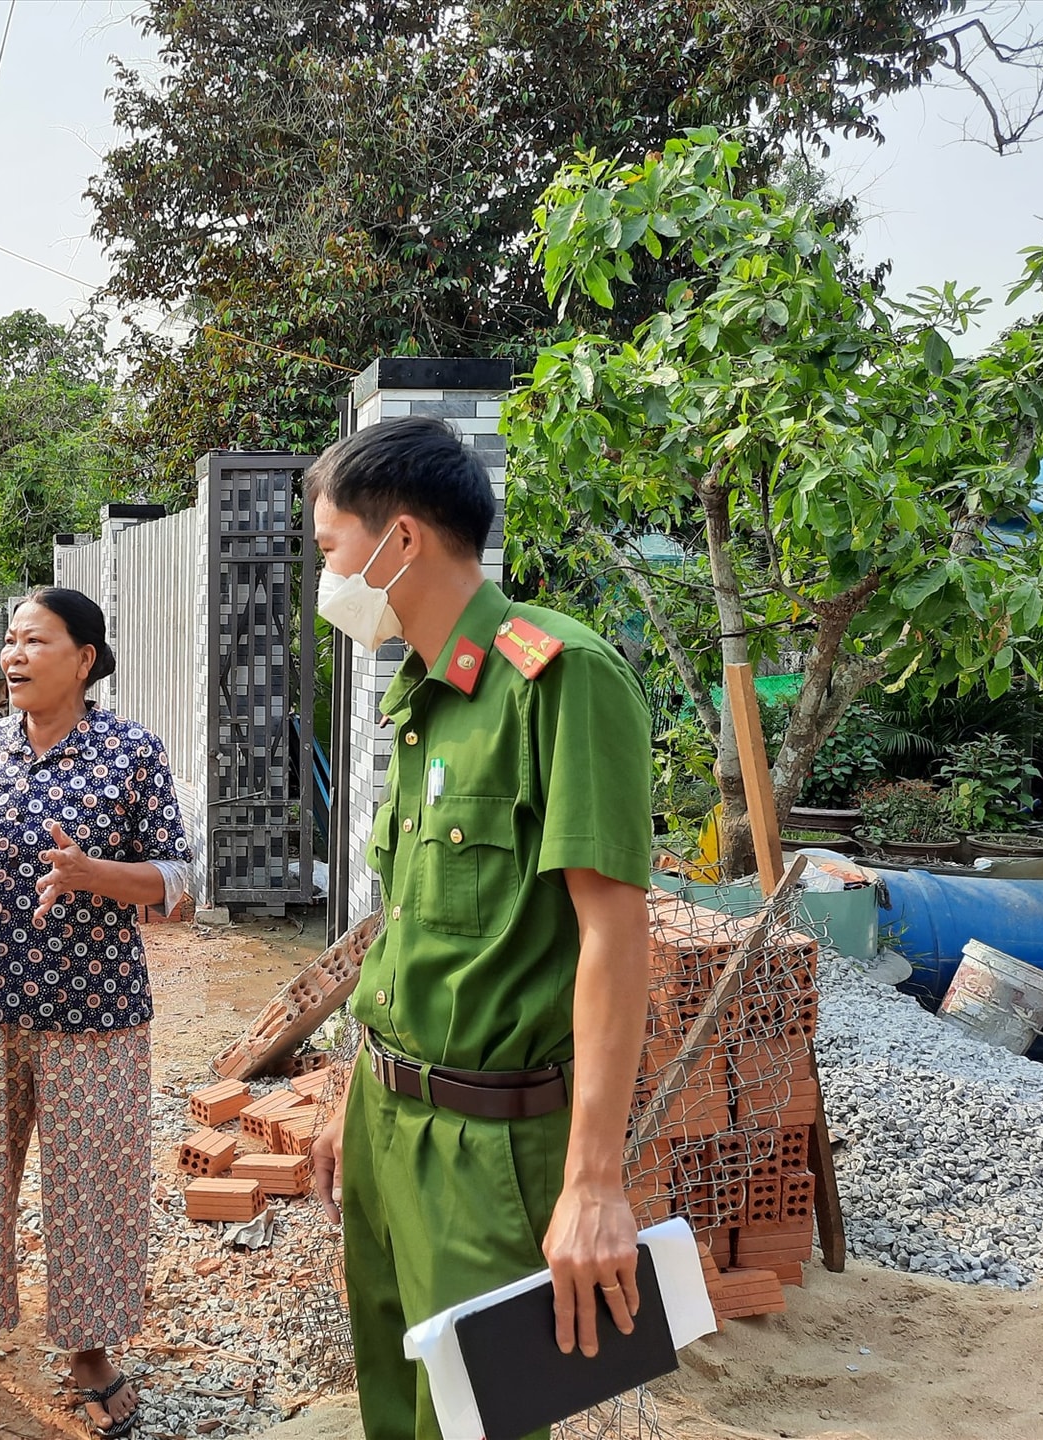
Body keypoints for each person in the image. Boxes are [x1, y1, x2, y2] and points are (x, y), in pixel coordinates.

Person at [301, 418, 653, 1440]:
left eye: (331, 552)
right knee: (394, 1402)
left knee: (480, 1422)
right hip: (386, 1120)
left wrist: (594, 1178)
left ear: (398, 540)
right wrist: (345, 1095)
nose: (327, 578)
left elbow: (612, 936)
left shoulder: (559, 678)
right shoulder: (419, 694)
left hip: (491, 1143)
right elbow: (405, 925)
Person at [0, 588, 193, 1438]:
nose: (13, 657)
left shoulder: (132, 753)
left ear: (85, 659)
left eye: (36, 642)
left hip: (94, 1007)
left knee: (92, 1184)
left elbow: (180, 884)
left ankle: (90, 1353)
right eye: (10, 642)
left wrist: (97, 874)